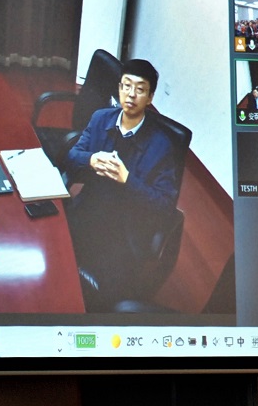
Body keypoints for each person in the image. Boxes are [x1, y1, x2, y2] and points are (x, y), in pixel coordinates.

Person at [65, 59, 180, 311]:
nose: (131, 94)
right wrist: (90, 159)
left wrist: (127, 180)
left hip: (124, 233)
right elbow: (72, 156)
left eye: (140, 89)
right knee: (55, 257)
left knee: (93, 298)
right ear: (118, 88)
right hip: (86, 212)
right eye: (126, 86)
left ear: (150, 98)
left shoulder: (162, 146)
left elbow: (164, 206)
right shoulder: (100, 119)